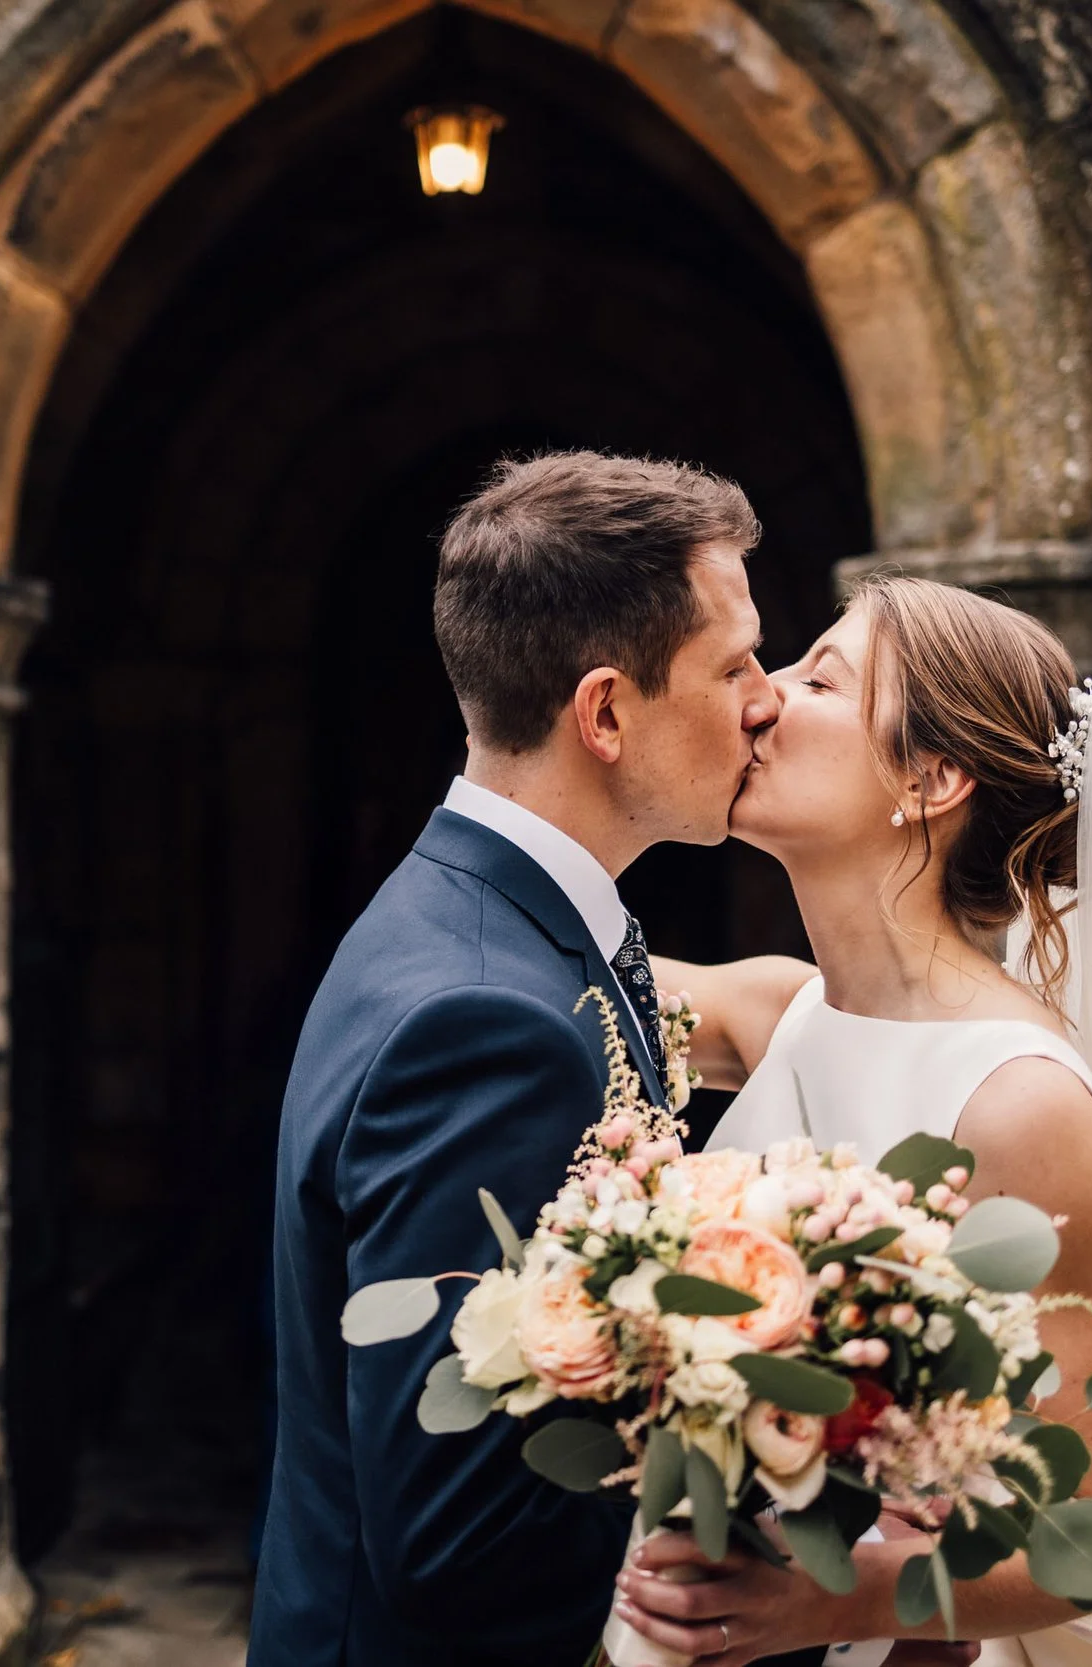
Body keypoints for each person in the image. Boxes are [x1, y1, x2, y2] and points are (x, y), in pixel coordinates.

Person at [613, 576, 1092, 1667]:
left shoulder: (1021, 1104)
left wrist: (819, 1600)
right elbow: (539, 984)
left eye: (821, 676)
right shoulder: (783, 1009)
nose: (760, 696)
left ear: (930, 776)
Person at [251, 451, 781, 1664]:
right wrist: (774, 1466)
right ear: (603, 711)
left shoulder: (478, 918)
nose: (765, 697)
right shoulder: (486, 1021)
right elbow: (455, 1540)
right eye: (733, 662)